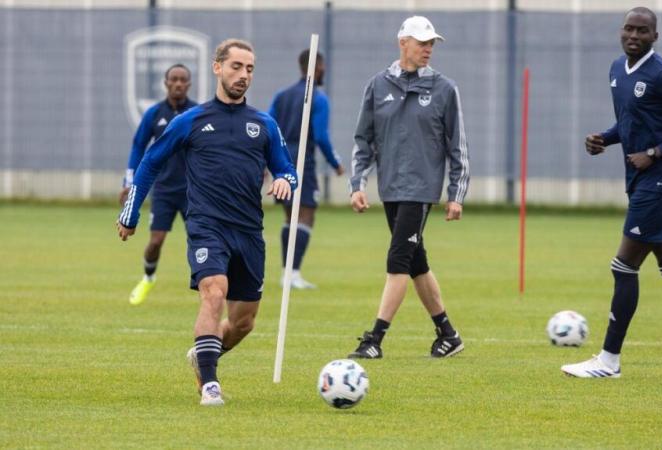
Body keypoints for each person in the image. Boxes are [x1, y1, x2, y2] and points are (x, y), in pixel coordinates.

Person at [117, 39, 297, 405]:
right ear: (217, 68)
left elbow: (288, 170)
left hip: (249, 231)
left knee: (244, 322)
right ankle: (210, 386)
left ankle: (203, 354)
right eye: (236, 67)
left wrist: (284, 181)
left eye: (249, 69)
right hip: (206, 225)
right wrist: (131, 212)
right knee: (213, 290)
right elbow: (150, 161)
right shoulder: (191, 121)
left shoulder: (263, 124)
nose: (243, 75)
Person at [562, 7, 662, 377]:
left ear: (655, 36)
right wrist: (604, 139)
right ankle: (608, 361)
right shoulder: (616, 71)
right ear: (620, 32)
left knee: (623, 266)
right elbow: (630, 122)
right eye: (628, 29)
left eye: (642, 31)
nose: (633, 36)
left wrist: (656, 152)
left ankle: (608, 361)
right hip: (642, 180)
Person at [347, 16, 470, 359]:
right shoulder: (377, 85)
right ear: (403, 42)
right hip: (390, 190)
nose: (428, 48)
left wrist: (455, 194)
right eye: (422, 42)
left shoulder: (445, 89)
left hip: (420, 191)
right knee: (416, 262)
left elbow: (457, 145)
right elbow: (363, 141)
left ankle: (374, 339)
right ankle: (448, 334)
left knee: (398, 260)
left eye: (432, 43)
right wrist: (357, 184)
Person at [120, 64, 197, 306]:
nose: (177, 84)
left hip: (192, 190)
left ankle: (206, 284)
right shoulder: (154, 114)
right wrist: (129, 181)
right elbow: (138, 146)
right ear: (165, 83)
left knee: (199, 238)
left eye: (182, 80)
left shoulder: (197, 113)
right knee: (155, 241)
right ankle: (148, 277)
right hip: (163, 189)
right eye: (173, 79)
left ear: (189, 84)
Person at [269, 49, 344, 289]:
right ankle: (293, 274)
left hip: (281, 159)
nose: (324, 71)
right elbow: (321, 136)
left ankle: (286, 273)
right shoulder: (319, 98)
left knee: (291, 216)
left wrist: (264, 161)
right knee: (306, 215)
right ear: (316, 67)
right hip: (303, 160)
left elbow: (268, 128)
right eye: (322, 66)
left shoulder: (281, 96)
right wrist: (335, 163)